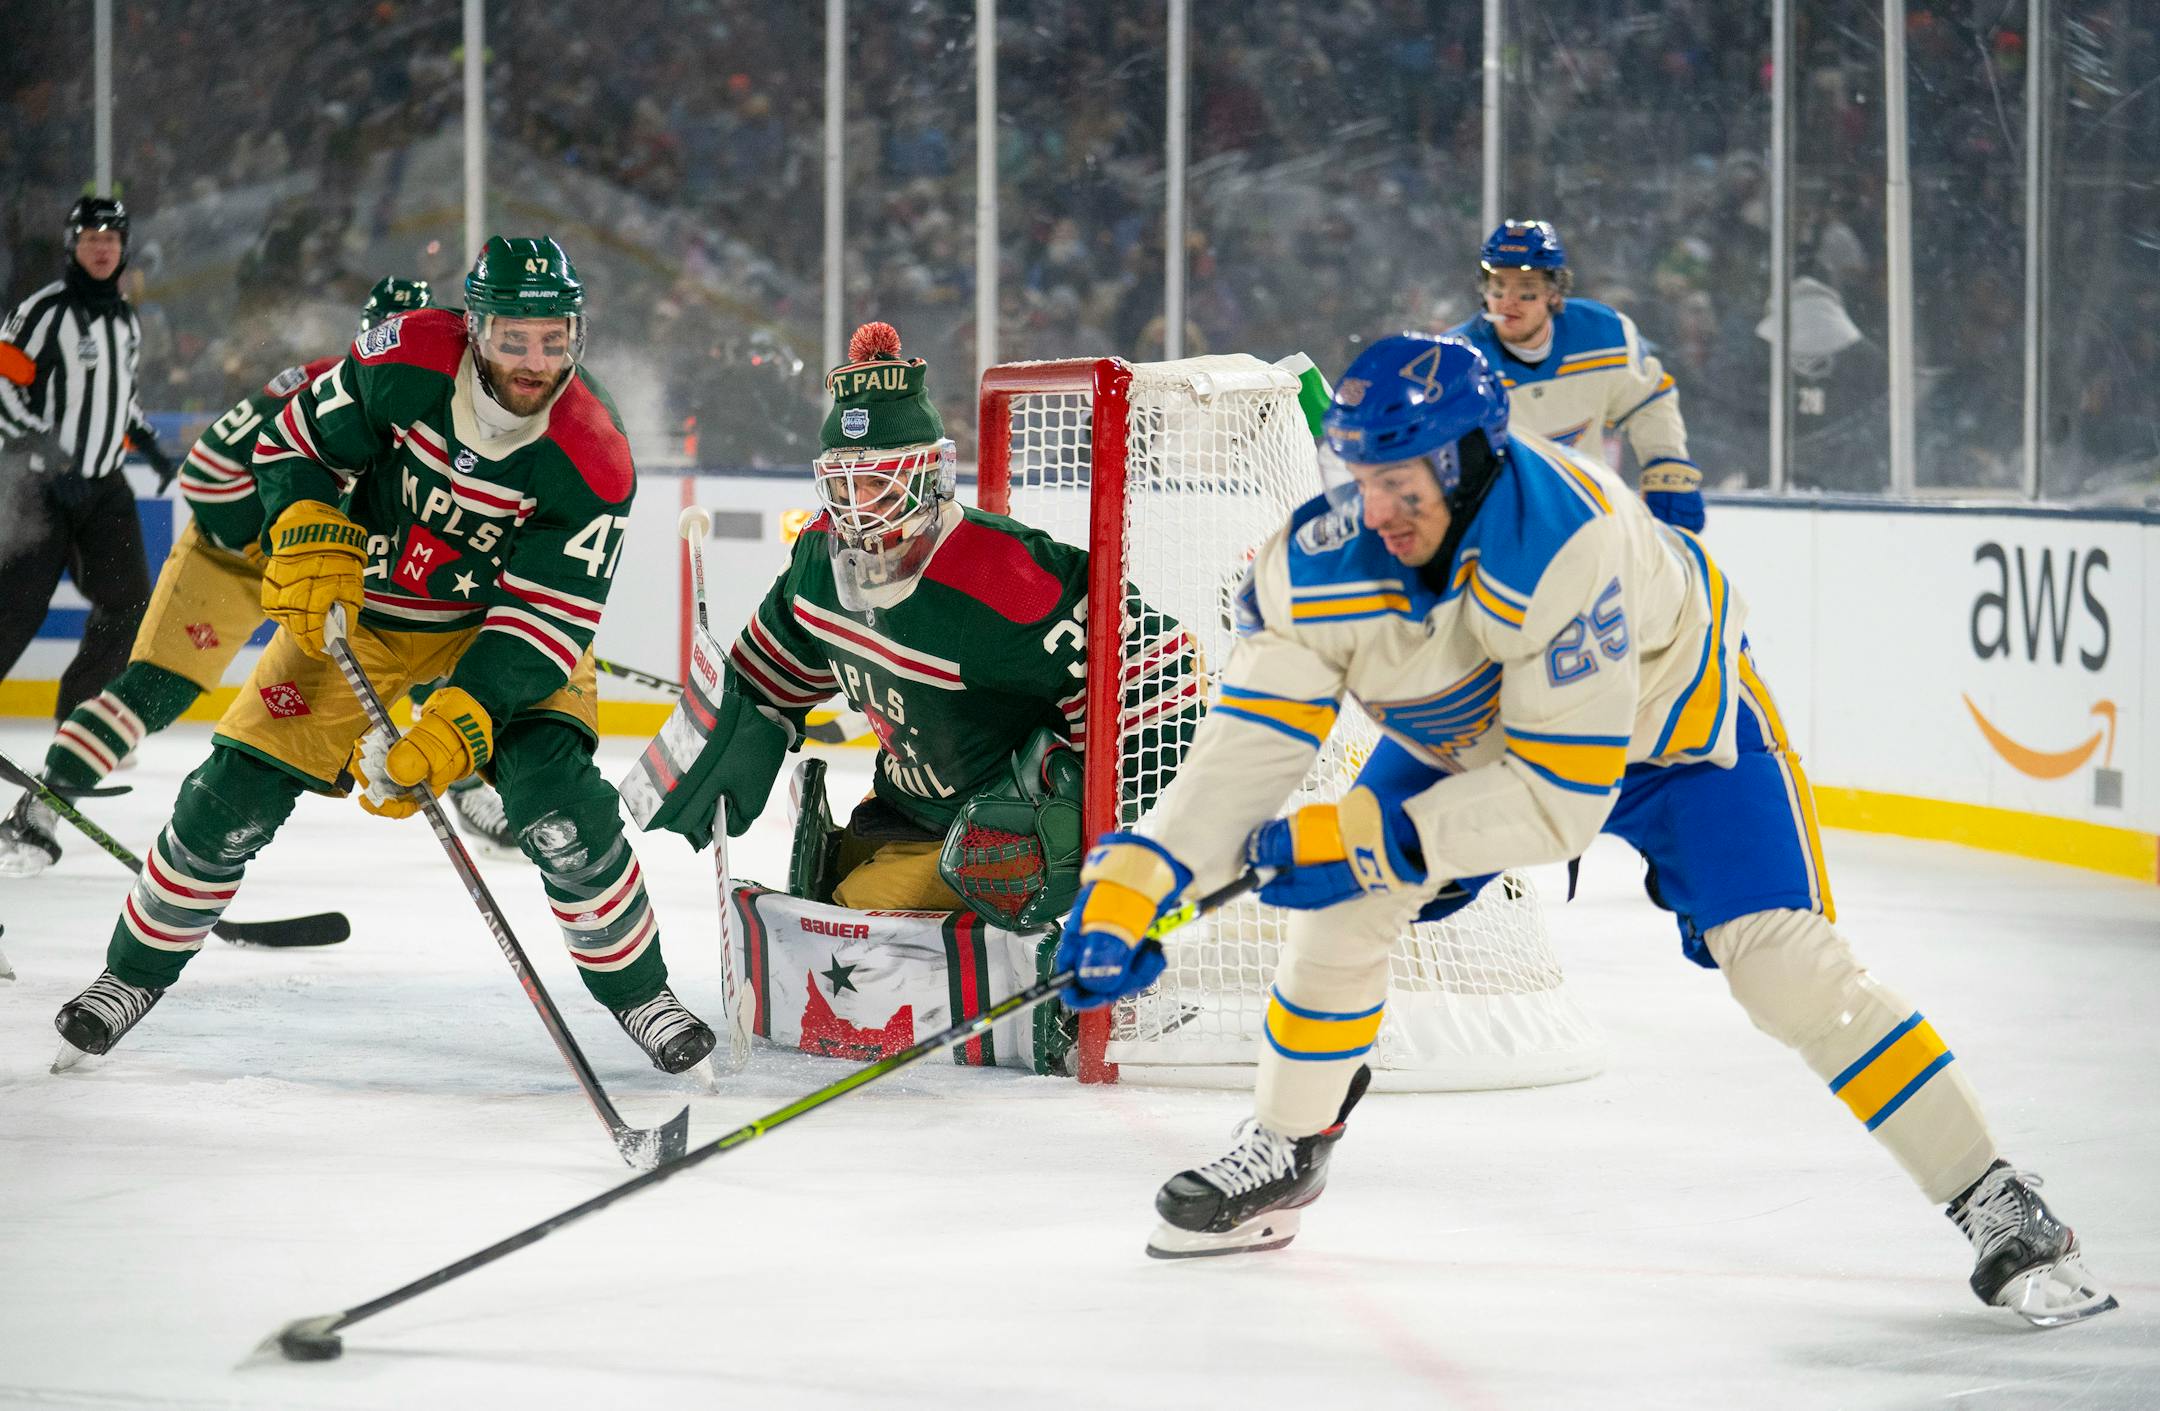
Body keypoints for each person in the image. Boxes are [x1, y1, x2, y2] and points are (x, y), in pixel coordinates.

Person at [1054, 332, 2116, 1327]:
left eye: (1405, 480)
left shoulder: (1568, 540)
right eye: (1365, 480)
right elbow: (1242, 759)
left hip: (1676, 733)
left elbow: (1562, 800)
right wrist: (1139, 876)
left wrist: (1365, 835)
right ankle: (1287, 1145)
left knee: (1790, 970)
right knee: (1346, 901)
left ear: (1471, 460)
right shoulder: (1315, 566)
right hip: (1470, 729)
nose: (1380, 510)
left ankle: (1995, 1193)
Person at [48, 237, 718, 1077]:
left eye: (553, 339)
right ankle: (125, 980)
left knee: (562, 810)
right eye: (514, 337)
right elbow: (293, 439)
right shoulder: (403, 357)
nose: (535, 361)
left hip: (494, 629)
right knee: (226, 804)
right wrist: (299, 524)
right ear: (474, 328)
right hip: (359, 616)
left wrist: (459, 723)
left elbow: (546, 616)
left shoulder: (594, 451)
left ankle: (642, 995)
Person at [623, 322, 1201, 1071]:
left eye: (878, 481)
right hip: (907, 811)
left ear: (929, 477)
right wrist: (726, 738)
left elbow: (1167, 672)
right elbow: (767, 676)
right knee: (822, 898)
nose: (857, 506)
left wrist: (1084, 823)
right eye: (844, 482)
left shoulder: (1004, 578)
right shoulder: (817, 567)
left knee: (857, 913)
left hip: (1003, 829)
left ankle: (1084, 949)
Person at [0, 278, 480, 875]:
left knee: (436, 640)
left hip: (337, 568)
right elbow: (206, 471)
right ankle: (41, 807)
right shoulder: (322, 386)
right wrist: (276, 539)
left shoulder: (457, 420)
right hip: (236, 557)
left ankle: (471, 790)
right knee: (159, 686)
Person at [0, 196, 179, 754]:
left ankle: (76, 728)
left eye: (111, 239)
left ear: (123, 249)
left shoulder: (125, 320)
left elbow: (118, 397)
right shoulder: (42, 312)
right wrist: (52, 457)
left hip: (104, 490)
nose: (102, 249)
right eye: (91, 239)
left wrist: (145, 438)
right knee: (14, 613)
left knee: (128, 608)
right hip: (41, 490)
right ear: (72, 246)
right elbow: (3, 388)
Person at [1448, 220, 1705, 531]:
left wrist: (1666, 461)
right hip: (1498, 527)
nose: (1507, 302)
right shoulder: (1459, 360)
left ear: (1554, 295)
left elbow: (1647, 399)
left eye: (1526, 291)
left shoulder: (1603, 334)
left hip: (1587, 520)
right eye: (1497, 287)